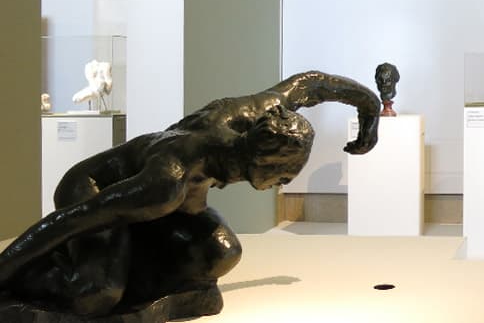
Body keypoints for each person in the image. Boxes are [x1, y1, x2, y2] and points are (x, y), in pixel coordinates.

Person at [0, 70, 380, 319]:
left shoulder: (262, 113)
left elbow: (313, 84)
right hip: (92, 188)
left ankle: (132, 268)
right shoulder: (169, 182)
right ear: (259, 164)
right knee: (95, 294)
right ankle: (43, 275)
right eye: (283, 176)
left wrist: (370, 109)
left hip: (149, 205)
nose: (282, 185)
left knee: (223, 252)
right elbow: (70, 220)